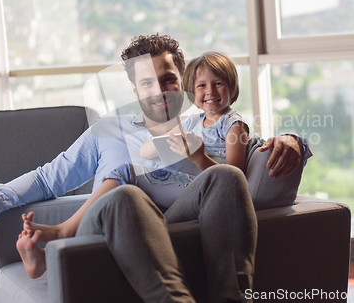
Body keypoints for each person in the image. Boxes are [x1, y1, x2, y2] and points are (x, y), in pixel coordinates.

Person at [0, 34, 309, 302]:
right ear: (134, 88)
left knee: (226, 175)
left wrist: (293, 140)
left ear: (182, 80)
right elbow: (49, 178)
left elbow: (247, 147)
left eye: (168, 79)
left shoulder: (200, 127)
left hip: (172, 228)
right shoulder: (108, 130)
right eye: (146, 82)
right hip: (107, 223)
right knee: (125, 192)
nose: (159, 91)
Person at [16, 51, 251, 279]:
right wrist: (161, 146)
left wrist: (198, 156)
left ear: (233, 87)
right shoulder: (195, 121)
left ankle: (64, 231)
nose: (210, 92)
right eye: (201, 86)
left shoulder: (233, 125)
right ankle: (50, 256)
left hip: (199, 192)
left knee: (127, 177)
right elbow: (149, 149)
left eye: (218, 83)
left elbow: (233, 179)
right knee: (126, 174)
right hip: (180, 190)